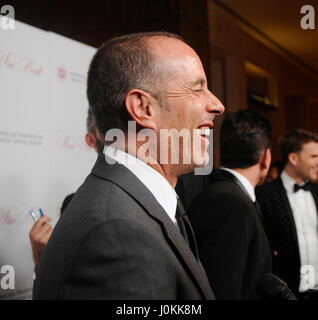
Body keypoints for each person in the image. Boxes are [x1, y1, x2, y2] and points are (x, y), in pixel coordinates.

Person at [32, 32, 224, 300]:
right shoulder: (116, 233)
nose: (217, 105)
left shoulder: (136, 208)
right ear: (143, 107)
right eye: (197, 88)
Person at [188, 110, 273, 299]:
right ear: (266, 158)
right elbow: (223, 289)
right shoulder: (231, 202)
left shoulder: (226, 194)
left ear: (218, 152)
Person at [29, 107, 102, 269]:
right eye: (110, 133)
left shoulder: (164, 198)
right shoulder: (72, 205)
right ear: (91, 140)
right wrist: (43, 263)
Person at [256, 129, 318, 300]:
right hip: (284, 293)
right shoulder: (264, 195)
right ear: (293, 158)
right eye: (313, 157)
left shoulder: (316, 192)